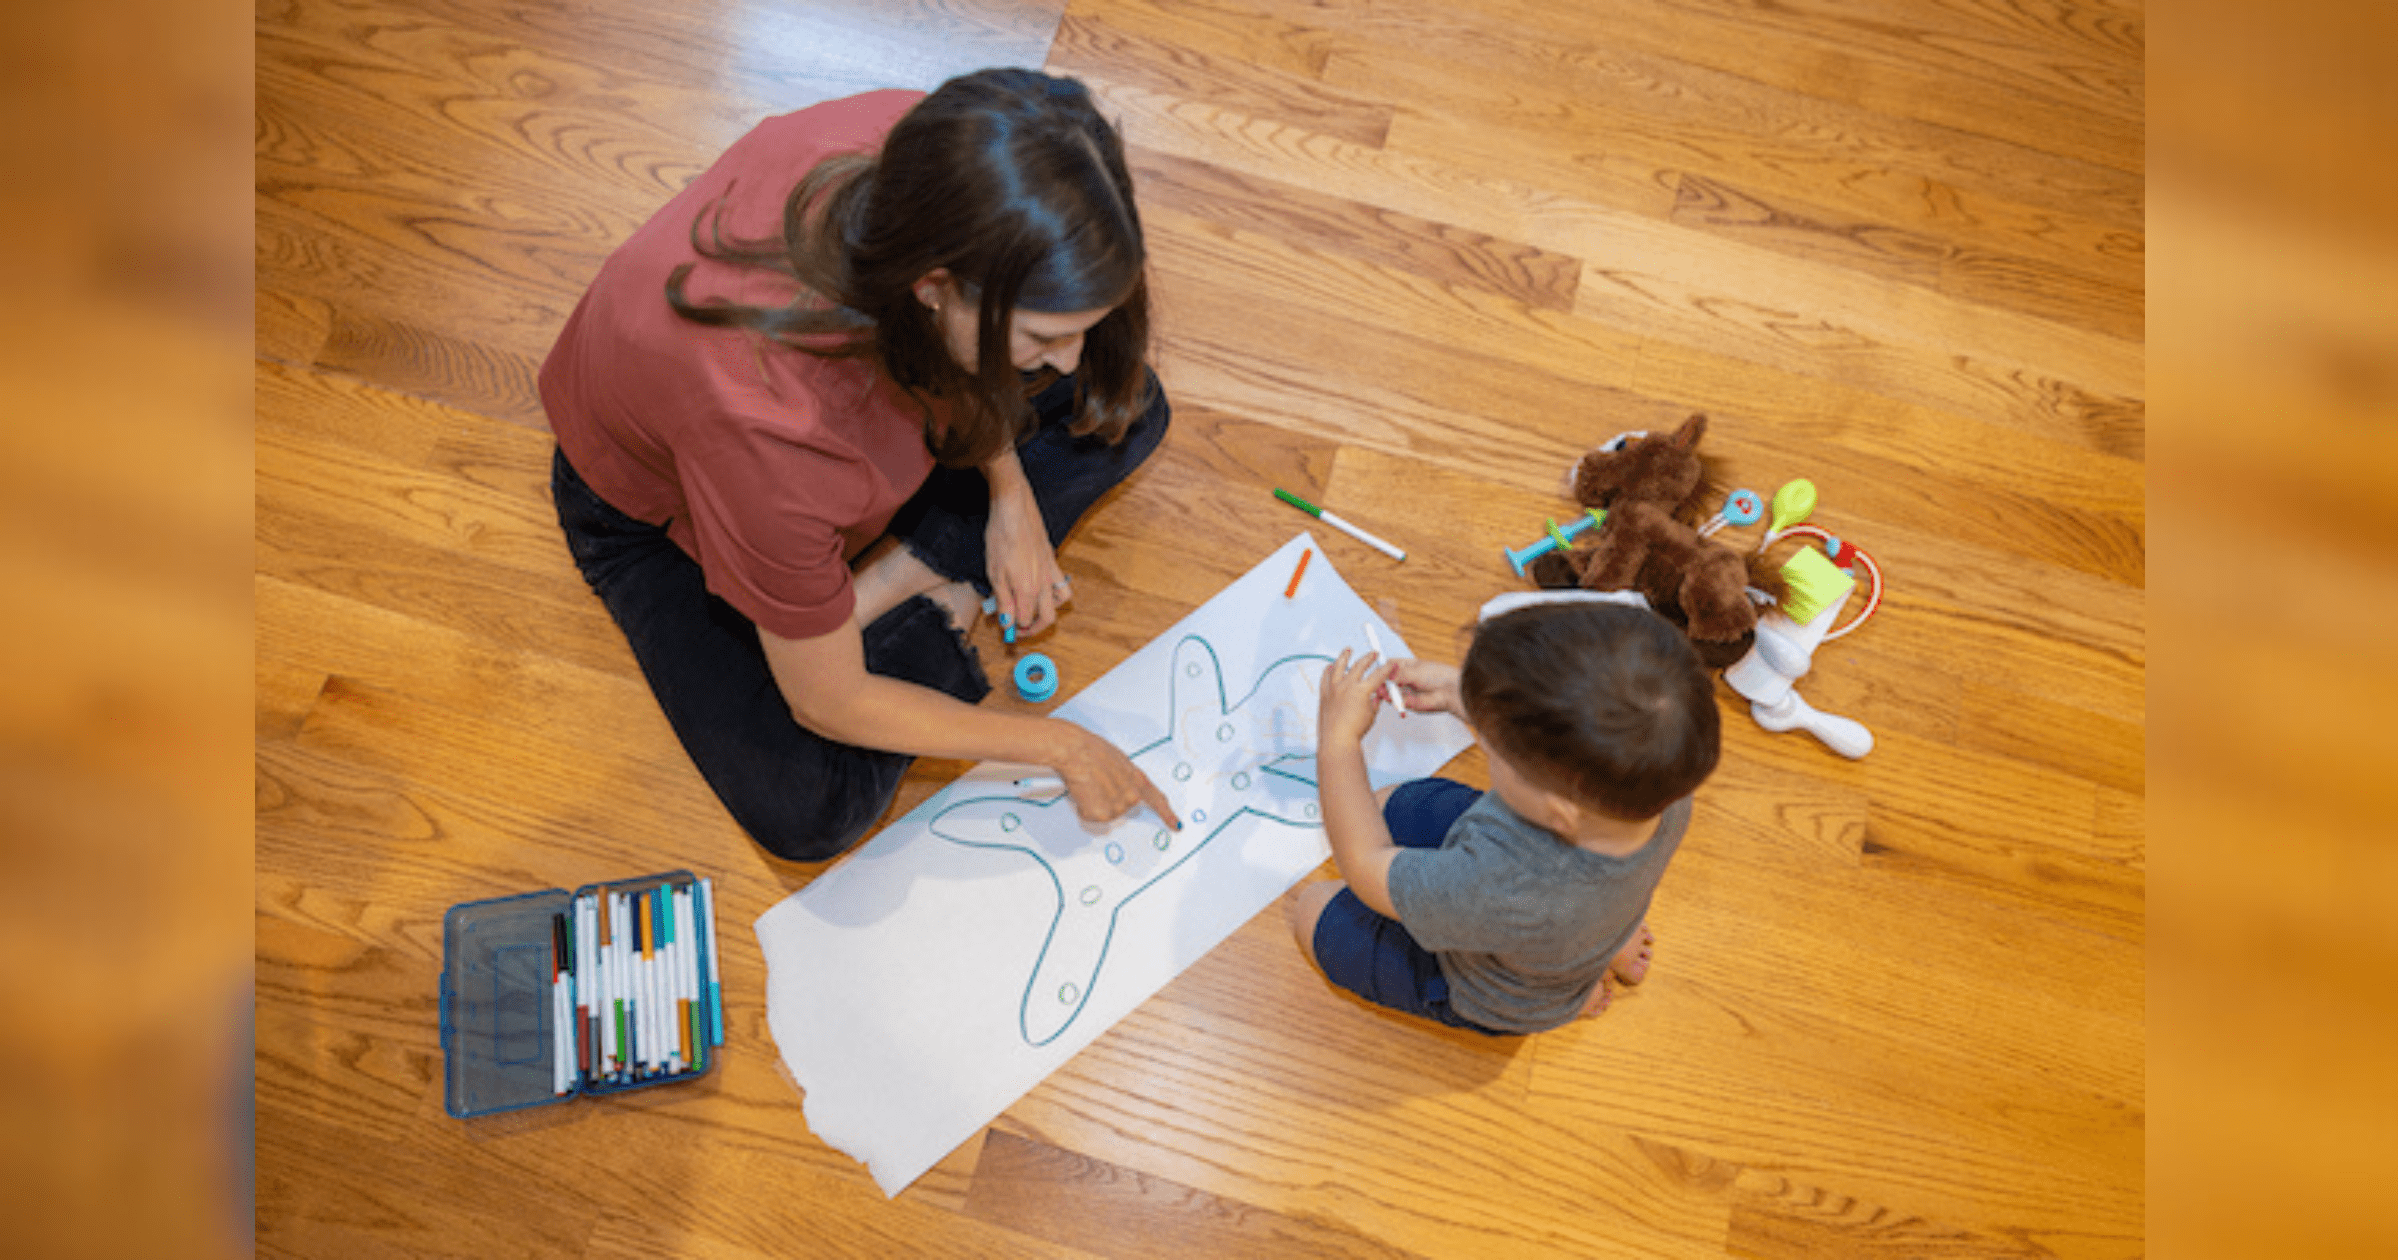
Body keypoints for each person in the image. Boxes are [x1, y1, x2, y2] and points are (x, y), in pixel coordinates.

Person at [539, 68, 1181, 862]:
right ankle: (912, 590)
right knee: (811, 805)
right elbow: (828, 701)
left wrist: (1010, 492)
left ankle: (882, 584)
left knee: (1125, 403)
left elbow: (988, 373)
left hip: (844, 437)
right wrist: (1057, 745)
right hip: (649, 511)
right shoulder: (777, 429)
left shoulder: (942, 146)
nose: (1065, 356)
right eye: (1044, 338)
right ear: (935, 288)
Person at [1284, 602, 1719, 1035]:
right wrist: (1462, 693)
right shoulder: (1660, 783)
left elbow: (1364, 866)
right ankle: (1598, 944)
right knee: (1381, 804)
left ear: (1558, 810)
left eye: (1495, 746)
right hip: (1575, 916)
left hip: (1494, 986)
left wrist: (1338, 743)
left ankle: (1567, 993)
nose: (1486, 739)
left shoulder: (1502, 886)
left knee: (1312, 909)